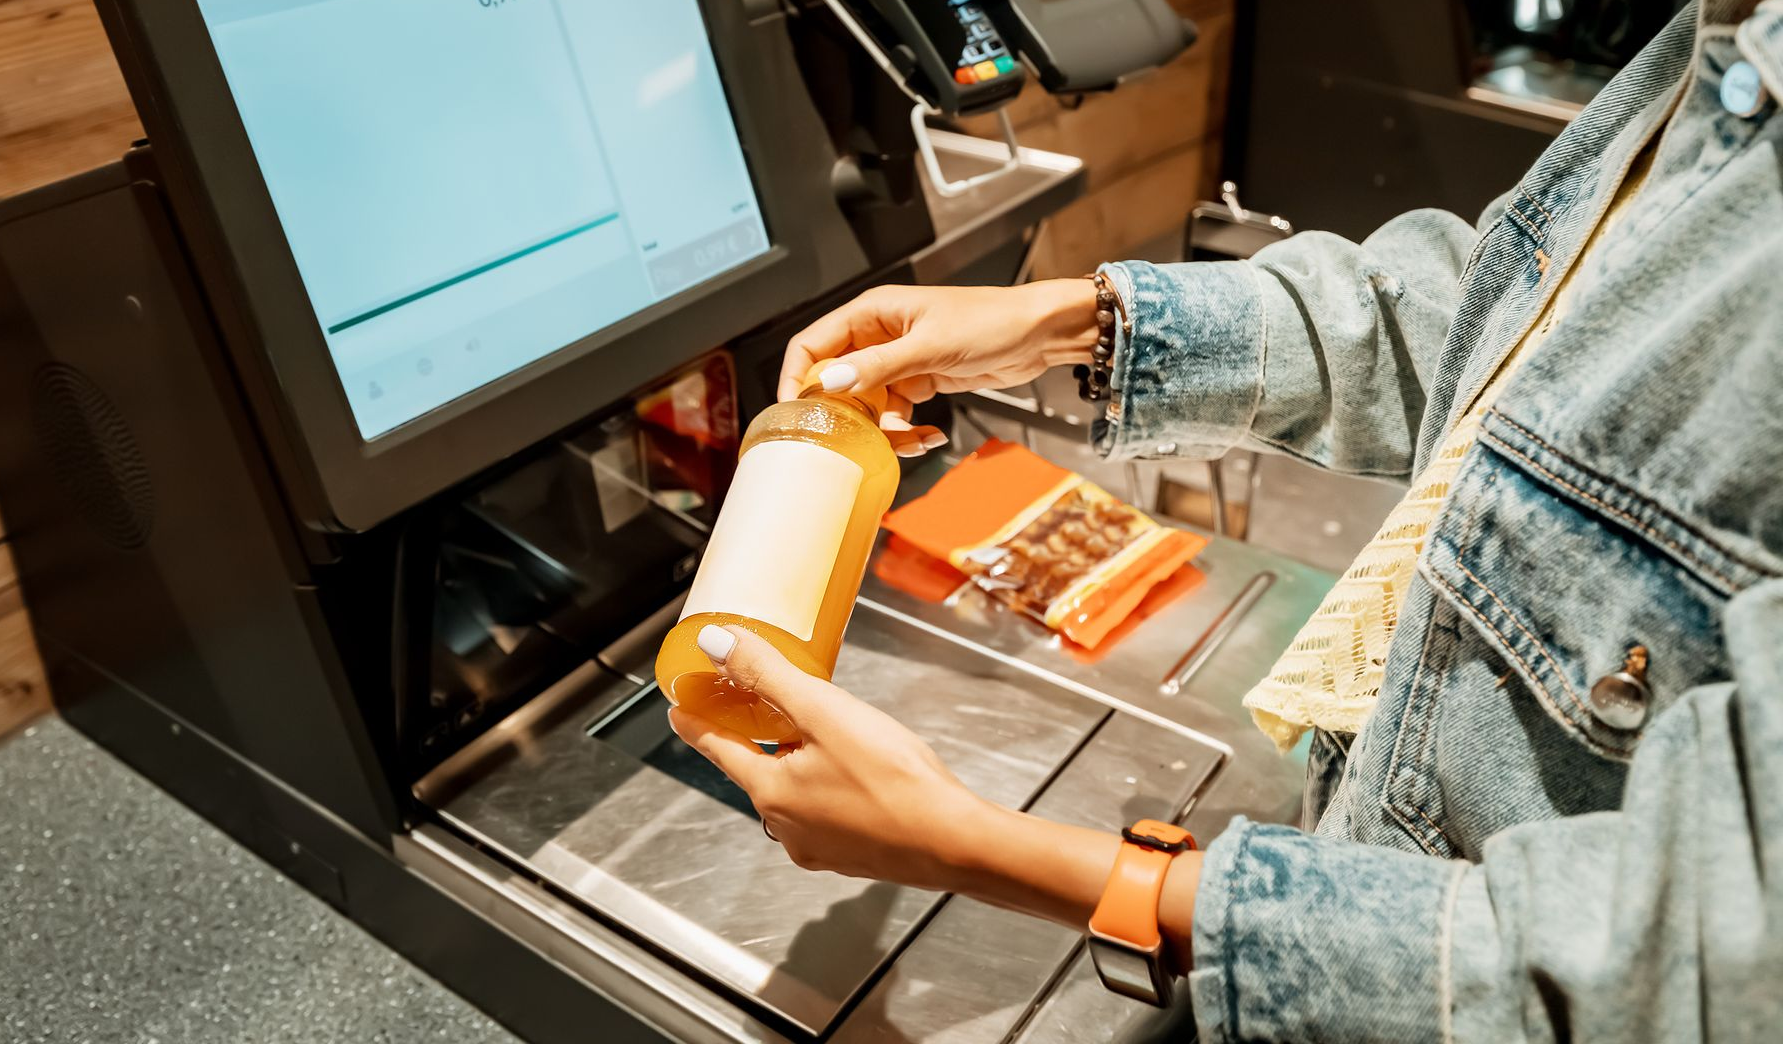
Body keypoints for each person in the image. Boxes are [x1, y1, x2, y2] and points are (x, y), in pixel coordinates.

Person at [668, 2, 1782, 1040]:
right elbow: (1523, 325)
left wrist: (985, 850)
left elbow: (1690, 968)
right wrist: (1077, 321)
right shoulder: (1722, 40)